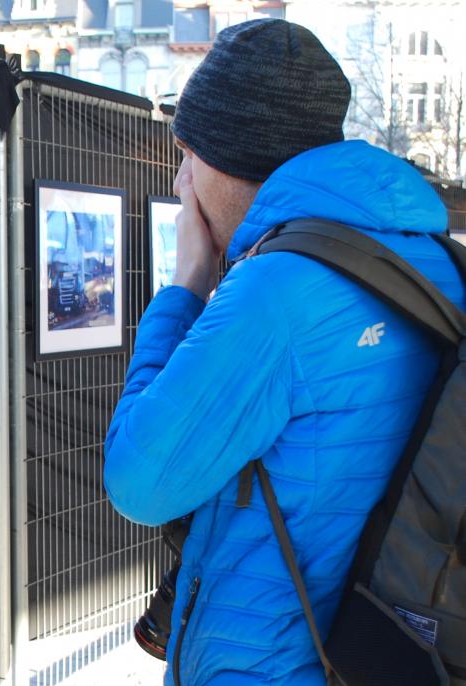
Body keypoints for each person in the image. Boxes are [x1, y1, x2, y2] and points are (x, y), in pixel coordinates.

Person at [102, 20, 466, 686]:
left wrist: (186, 283)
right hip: (395, 653)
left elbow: (139, 481)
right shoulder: (437, 261)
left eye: (185, 154)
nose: (182, 180)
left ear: (217, 156)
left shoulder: (274, 290)